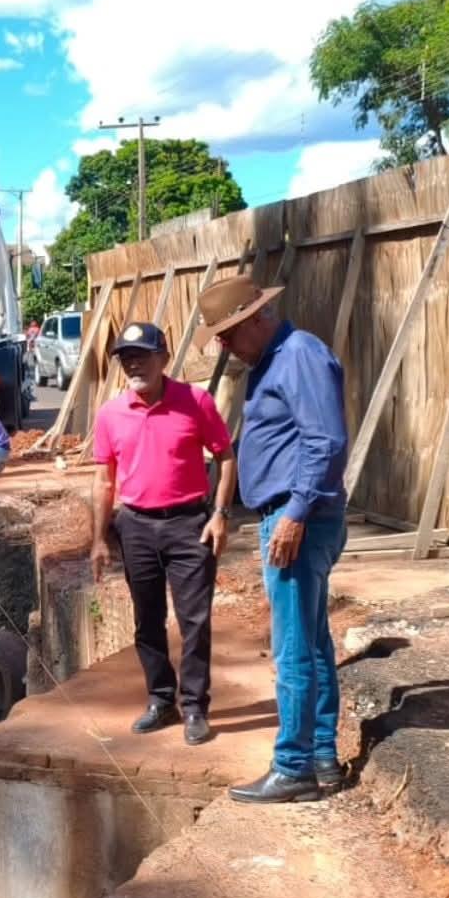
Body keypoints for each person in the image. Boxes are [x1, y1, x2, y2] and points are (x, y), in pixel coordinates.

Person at [195, 275, 350, 804]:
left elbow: (325, 440)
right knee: (312, 640)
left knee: (292, 649)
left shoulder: (298, 355)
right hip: (293, 513)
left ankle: (293, 766)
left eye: (228, 333)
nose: (224, 345)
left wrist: (295, 513)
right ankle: (321, 756)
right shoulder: (273, 360)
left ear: (257, 318)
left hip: (296, 516)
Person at [90, 321, 235, 747]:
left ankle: (195, 707)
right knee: (147, 618)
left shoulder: (195, 401)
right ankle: (160, 699)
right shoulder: (110, 414)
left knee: (195, 620)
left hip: (189, 524)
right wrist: (98, 538)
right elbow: (103, 480)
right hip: (135, 525)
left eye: (142, 356)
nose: (134, 364)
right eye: (126, 358)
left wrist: (220, 514)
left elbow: (225, 457)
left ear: (164, 358)